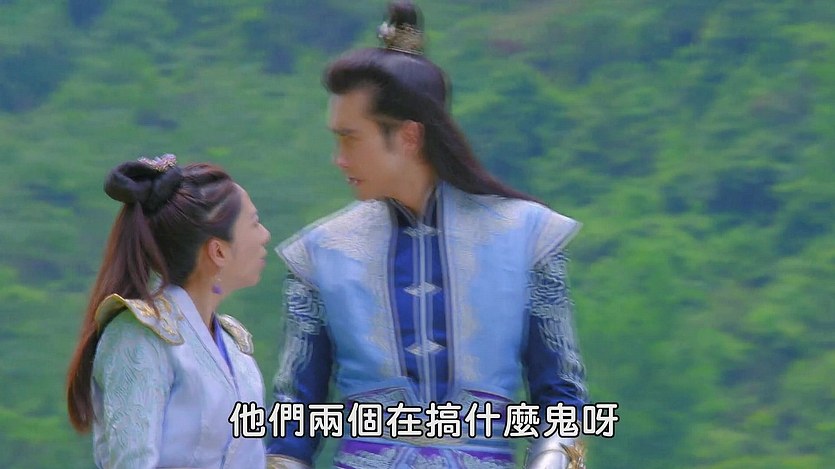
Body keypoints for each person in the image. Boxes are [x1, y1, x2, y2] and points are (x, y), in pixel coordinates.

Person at [266, 2, 587, 468]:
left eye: (350, 138)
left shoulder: (528, 238)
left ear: (410, 137)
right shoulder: (319, 254)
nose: (339, 158)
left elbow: (562, 399)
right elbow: (293, 416)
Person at [66, 154, 271, 469]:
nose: (265, 235)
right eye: (254, 223)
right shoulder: (139, 336)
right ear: (218, 251)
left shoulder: (235, 345)